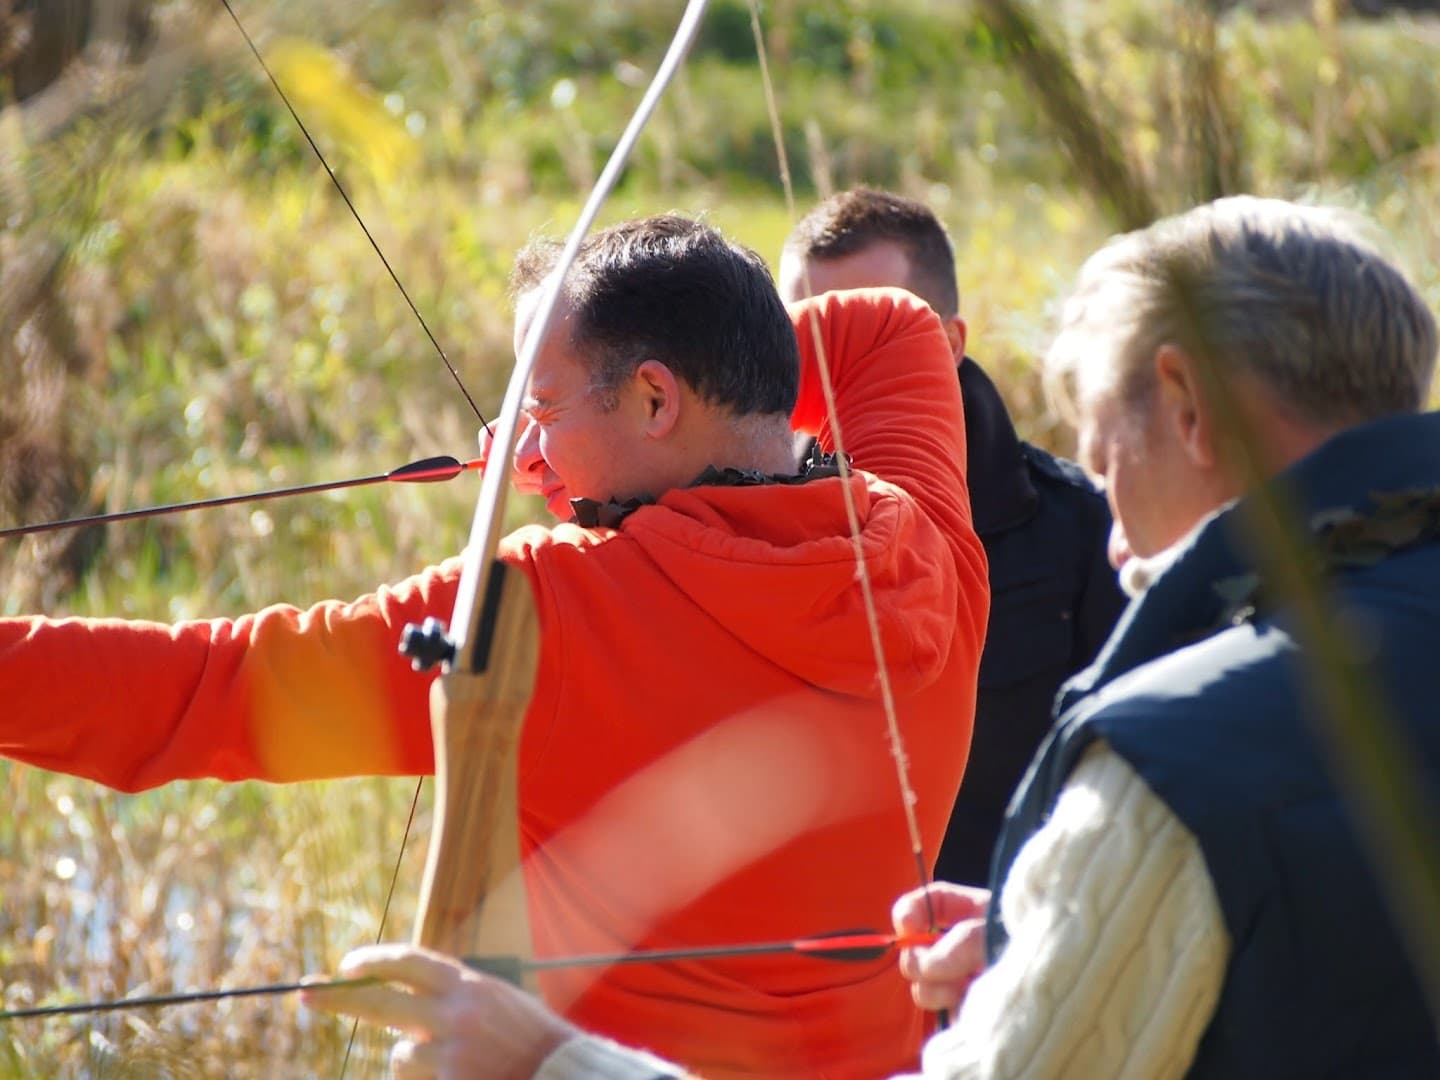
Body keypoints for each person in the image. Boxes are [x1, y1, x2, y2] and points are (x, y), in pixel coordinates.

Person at [308, 196, 1440, 1077]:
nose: (1104, 517)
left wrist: (548, 1061)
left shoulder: (1172, 762)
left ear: (1189, 410)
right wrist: (1056, 936)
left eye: (1104, 454)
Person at [0, 215, 990, 1077]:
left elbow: (204, 688)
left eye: (538, 408)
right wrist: (677, 400)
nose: (524, 443)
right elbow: (887, 329)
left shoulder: (549, 608)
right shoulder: (932, 548)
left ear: (653, 398)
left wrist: (609, 456)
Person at [777, 187, 1126, 886]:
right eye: (805, 337)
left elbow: (1127, 775)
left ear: (949, 343)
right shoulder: (753, 525)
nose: (841, 360)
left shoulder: (1086, 525)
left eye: (875, 326)